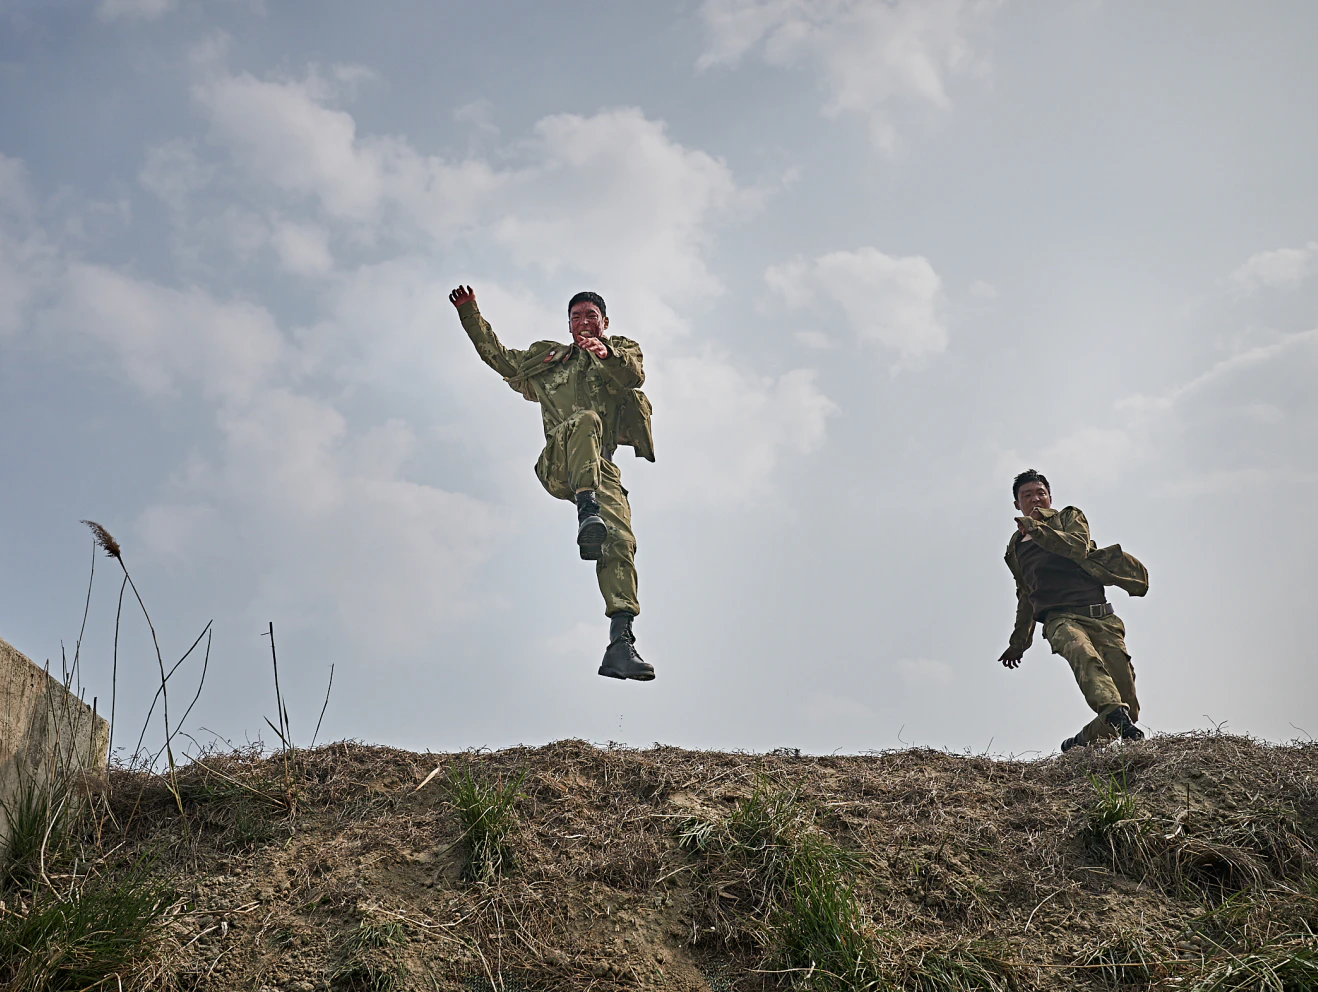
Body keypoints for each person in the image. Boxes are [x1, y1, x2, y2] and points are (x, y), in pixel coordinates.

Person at [448, 285, 655, 681]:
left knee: (621, 542)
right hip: (559, 459)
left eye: (590, 316)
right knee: (585, 421)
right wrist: (469, 312)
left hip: (600, 467)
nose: (583, 322)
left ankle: (620, 644)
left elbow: (634, 374)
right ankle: (586, 509)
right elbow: (499, 357)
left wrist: (606, 353)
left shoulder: (619, 352)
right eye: (576, 317)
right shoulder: (552, 361)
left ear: (605, 323)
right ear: (568, 324)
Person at [998, 469, 1150, 751]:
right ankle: (1115, 715)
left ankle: (1081, 743)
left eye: (1040, 493)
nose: (1035, 500)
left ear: (1050, 497)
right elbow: (1026, 595)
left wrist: (1038, 529)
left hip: (1101, 616)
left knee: (1128, 706)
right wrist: (1018, 643)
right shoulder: (1016, 548)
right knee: (1083, 655)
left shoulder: (1068, 518)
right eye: (1026, 495)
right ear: (1017, 504)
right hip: (1059, 619)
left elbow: (1077, 548)